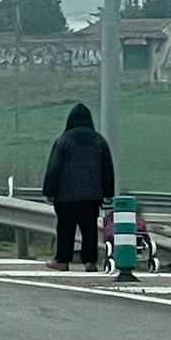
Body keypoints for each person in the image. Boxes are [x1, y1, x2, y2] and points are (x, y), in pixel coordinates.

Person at [40, 102, 115, 272]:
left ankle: (62, 260)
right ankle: (90, 262)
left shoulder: (63, 140)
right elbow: (107, 170)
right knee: (89, 228)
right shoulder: (99, 141)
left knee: (65, 227)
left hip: (65, 196)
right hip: (92, 196)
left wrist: (49, 192)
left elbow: (54, 168)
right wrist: (107, 193)